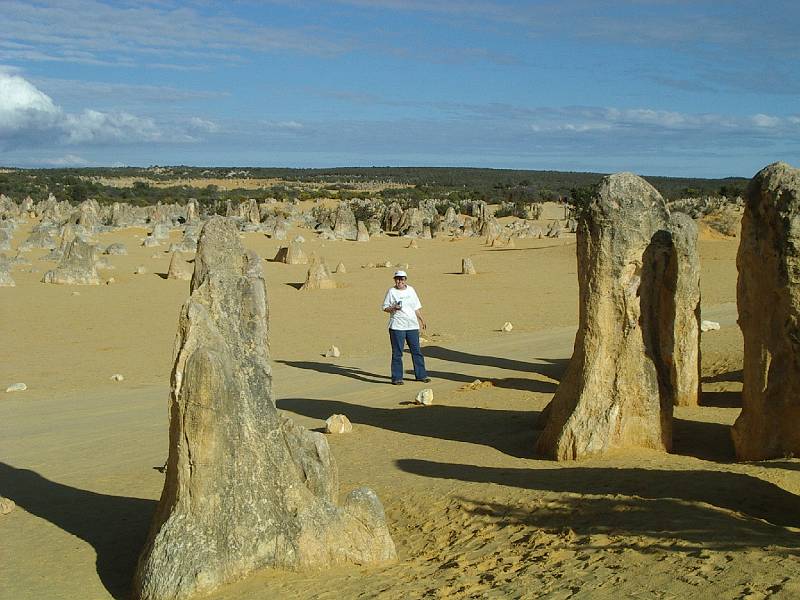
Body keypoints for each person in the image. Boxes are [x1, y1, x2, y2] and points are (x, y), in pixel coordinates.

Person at [381, 270, 430, 385]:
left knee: (416, 351)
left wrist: (421, 319)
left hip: (412, 325)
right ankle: (397, 378)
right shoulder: (391, 291)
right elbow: (384, 307)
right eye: (397, 279)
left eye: (402, 279)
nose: (399, 281)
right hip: (397, 326)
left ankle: (421, 375)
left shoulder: (411, 290)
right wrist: (393, 308)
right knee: (397, 353)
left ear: (405, 280)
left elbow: (415, 307)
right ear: (394, 280)